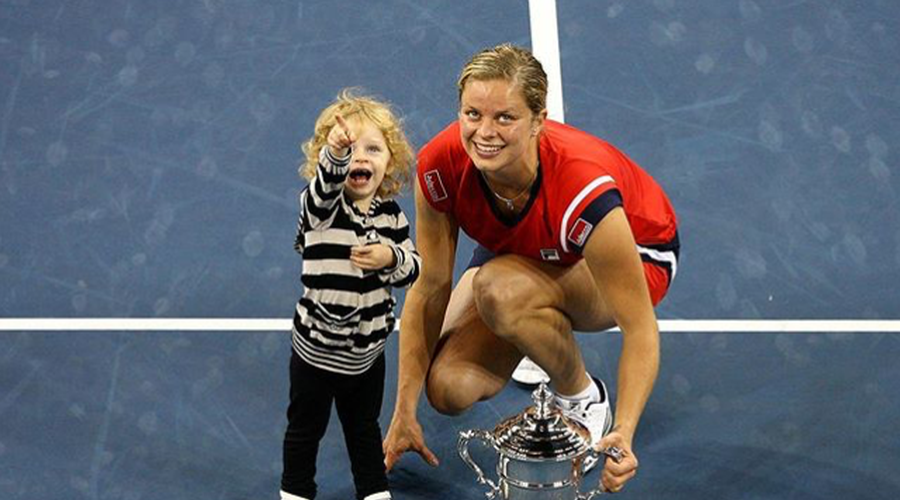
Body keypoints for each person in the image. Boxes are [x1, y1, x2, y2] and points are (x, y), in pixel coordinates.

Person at [382, 44, 679, 494]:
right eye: (472, 114)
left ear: (539, 120)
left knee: (499, 290)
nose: (485, 132)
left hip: (635, 254)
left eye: (505, 117)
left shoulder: (583, 187)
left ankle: (580, 393)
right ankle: (530, 327)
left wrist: (625, 430)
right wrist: (404, 410)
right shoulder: (440, 166)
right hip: (522, 249)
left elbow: (640, 328)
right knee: (447, 388)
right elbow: (430, 286)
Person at [281, 89, 420, 500]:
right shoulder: (321, 209)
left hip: (367, 356)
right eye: (348, 147)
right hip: (316, 353)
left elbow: (415, 268)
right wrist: (335, 156)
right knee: (306, 428)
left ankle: (374, 490)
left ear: (389, 163)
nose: (360, 156)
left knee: (364, 428)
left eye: (373, 148)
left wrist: (389, 257)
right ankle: (295, 490)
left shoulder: (392, 216)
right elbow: (325, 185)